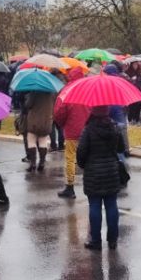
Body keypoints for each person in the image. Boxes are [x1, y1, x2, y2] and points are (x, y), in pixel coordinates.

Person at [77, 106, 125, 250]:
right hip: (111, 171)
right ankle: (113, 240)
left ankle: (96, 240)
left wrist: (84, 165)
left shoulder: (88, 129)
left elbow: (81, 153)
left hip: (93, 173)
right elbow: (121, 148)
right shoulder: (115, 127)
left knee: (94, 206)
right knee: (112, 206)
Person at [54, 69, 90, 199]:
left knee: (70, 159)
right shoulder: (88, 90)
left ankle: (70, 187)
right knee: (89, 158)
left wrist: (62, 124)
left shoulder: (67, 90)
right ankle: (90, 183)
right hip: (87, 130)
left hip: (71, 130)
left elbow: (59, 112)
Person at [23, 91, 55, 172]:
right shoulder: (51, 93)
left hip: (34, 120)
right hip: (46, 120)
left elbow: (28, 105)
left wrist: (27, 98)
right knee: (43, 141)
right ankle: (42, 163)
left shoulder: (34, 92)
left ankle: (33, 163)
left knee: (31, 141)